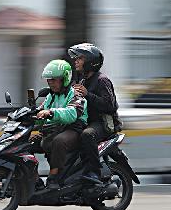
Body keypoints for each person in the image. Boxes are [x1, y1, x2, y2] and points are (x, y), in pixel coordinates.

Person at [68, 43, 122, 183]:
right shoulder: (83, 80)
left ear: (90, 62)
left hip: (102, 123)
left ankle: (93, 172)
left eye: (79, 58)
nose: (76, 61)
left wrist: (87, 95)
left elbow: (110, 106)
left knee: (88, 135)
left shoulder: (102, 80)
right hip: (87, 121)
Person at [36, 59, 88, 190]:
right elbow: (41, 110)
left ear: (64, 78)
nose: (50, 83)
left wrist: (51, 112)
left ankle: (54, 177)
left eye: (54, 79)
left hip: (74, 129)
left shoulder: (76, 95)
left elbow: (72, 113)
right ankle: (33, 178)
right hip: (57, 128)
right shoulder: (51, 96)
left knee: (59, 141)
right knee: (28, 142)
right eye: (49, 80)